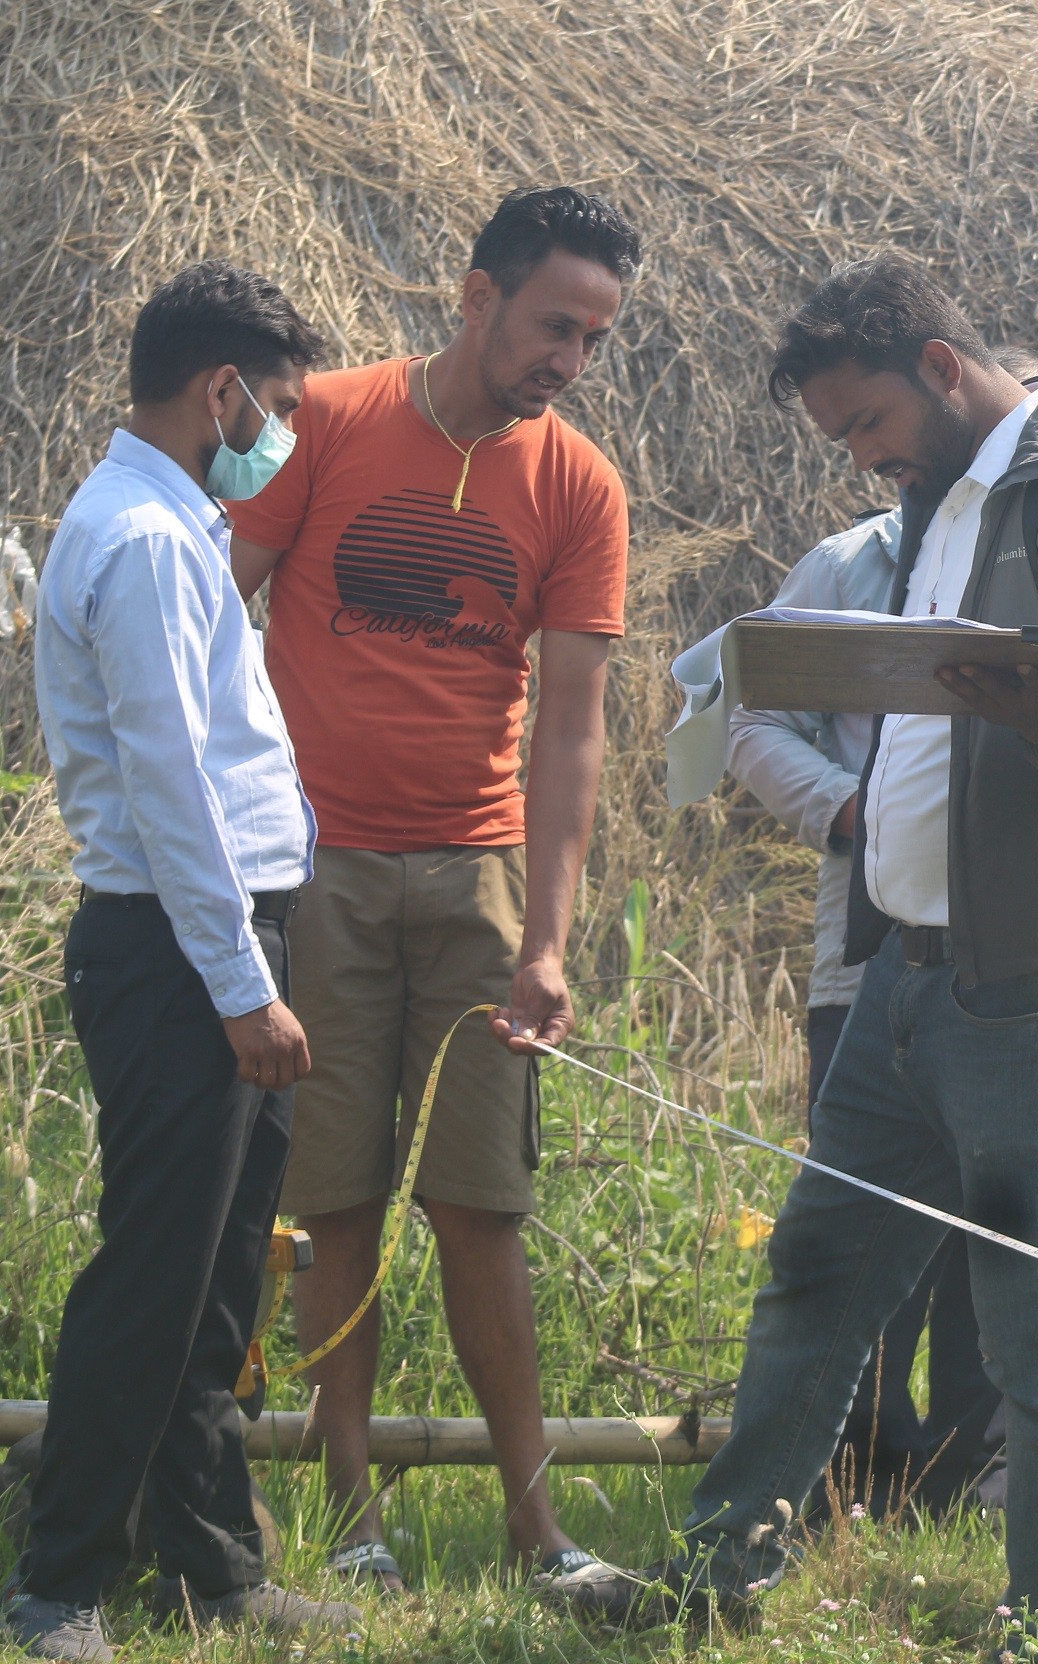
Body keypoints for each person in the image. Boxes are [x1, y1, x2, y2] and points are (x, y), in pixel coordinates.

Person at [571, 255, 1038, 1639]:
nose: (861, 454)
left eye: (867, 424)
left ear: (944, 370)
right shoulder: (932, 505)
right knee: (816, 1282)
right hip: (904, 973)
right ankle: (715, 1589)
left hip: (1036, 990)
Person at [225, 187, 640, 1596]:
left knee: (482, 1205)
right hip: (314, 874)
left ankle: (540, 1534)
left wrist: (553, 940)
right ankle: (355, 1527)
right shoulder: (327, 423)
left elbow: (572, 725)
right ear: (476, 299)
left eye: (591, 340)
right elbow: (215, 601)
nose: (567, 361)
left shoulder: (580, 486)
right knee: (333, 1203)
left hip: (475, 885)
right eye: (551, 327)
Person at [14, 262, 356, 1660]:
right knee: (155, 1272)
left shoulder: (173, 522)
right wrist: (243, 988)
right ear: (219, 391)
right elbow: (172, 787)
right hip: (177, 948)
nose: (276, 433)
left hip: (222, 936)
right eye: (270, 407)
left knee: (222, 1273)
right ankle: (64, 1581)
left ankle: (212, 1566)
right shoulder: (149, 543)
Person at [723, 501, 1006, 1517]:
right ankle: (853, 1474)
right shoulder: (848, 565)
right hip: (872, 954)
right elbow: (751, 715)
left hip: (1023, 965)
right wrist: (851, 809)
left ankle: (979, 1475)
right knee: (863, 1222)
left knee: (1001, 1227)